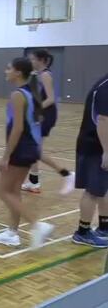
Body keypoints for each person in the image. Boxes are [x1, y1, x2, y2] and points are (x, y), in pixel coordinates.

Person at [0, 57, 53, 248]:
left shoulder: (18, 95)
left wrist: (6, 155)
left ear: (18, 72)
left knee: (1, 190)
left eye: (8, 68)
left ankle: (36, 225)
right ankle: (12, 233)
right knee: (14, 190)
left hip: (20, 149)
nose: (6, 71)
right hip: (29, 148)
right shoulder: (31, 92)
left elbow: (17, 128)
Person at [21, 49, 75, 194]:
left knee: (35, 151)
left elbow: (50, 99)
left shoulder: (45, 75)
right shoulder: (38, 75)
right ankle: (34, 182)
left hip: (46, 115)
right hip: (41, 114)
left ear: (42, 60)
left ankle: (67, 174)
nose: (30, 61)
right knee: (34, 149)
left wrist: (34, 110)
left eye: (32, 59)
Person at [71, 73, 108, 248]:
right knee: (93, 191)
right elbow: (103, 120)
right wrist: (107, 151)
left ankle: (104, 227)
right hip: (94, 146)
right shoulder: (105, 86)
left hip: (99, 145)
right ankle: (82, 232)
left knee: (103, 188)